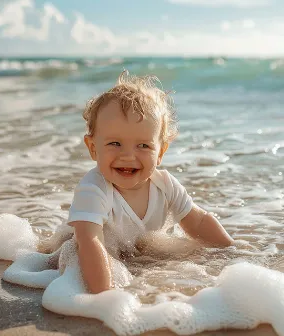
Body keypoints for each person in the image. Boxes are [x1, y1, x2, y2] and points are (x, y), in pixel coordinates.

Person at [39, 70, 234, 294]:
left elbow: (198, 223)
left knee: (191, 254)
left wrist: (229, 252)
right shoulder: (93, 188)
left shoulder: (165, 184)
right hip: (84, 248)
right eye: (115, 143)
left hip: (134, 251)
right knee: (56, 253)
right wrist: (105, 296)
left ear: (161, 151)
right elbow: (90, 243)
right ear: (93, 148)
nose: (128, 156)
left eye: (143, 146)